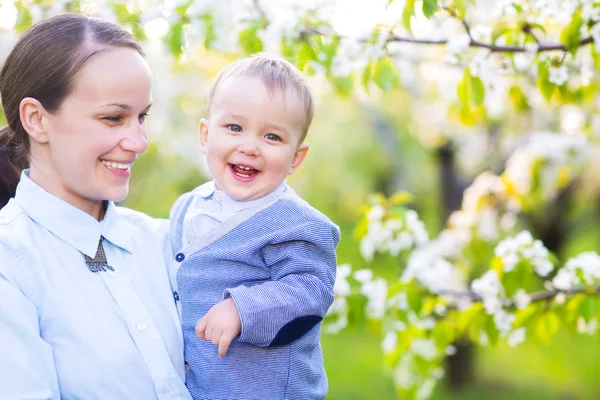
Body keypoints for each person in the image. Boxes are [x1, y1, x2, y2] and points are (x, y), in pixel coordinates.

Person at [0, 14, 191, 400]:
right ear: (37, 120)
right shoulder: (10, 262)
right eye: (113, 118)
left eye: (142, 117)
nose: (139, 141)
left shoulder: (166, 242)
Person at [169, 54, 340, 400]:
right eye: (234, 128)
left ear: (296, 158)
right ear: (205, 135)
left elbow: (309, 290)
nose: (249, 146)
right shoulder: (187, 207)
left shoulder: (296, 223)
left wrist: (242, 308)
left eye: (272, 137)